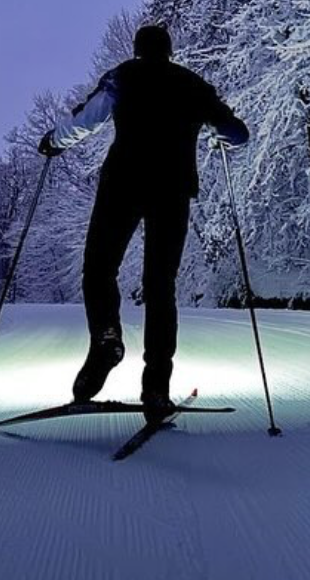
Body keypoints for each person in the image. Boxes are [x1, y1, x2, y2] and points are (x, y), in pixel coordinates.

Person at [38, 24, 249, 421]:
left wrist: (54, 142)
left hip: (123, 183)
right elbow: (238, 133)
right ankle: (156, 388)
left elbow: (88, 119)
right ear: (169, 51)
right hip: (172, 189)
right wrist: (221, 137)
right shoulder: (192, 85)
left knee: (98, 268)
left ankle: (106, 341)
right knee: (159, 285)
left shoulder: (123, 76)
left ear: (137, 50)